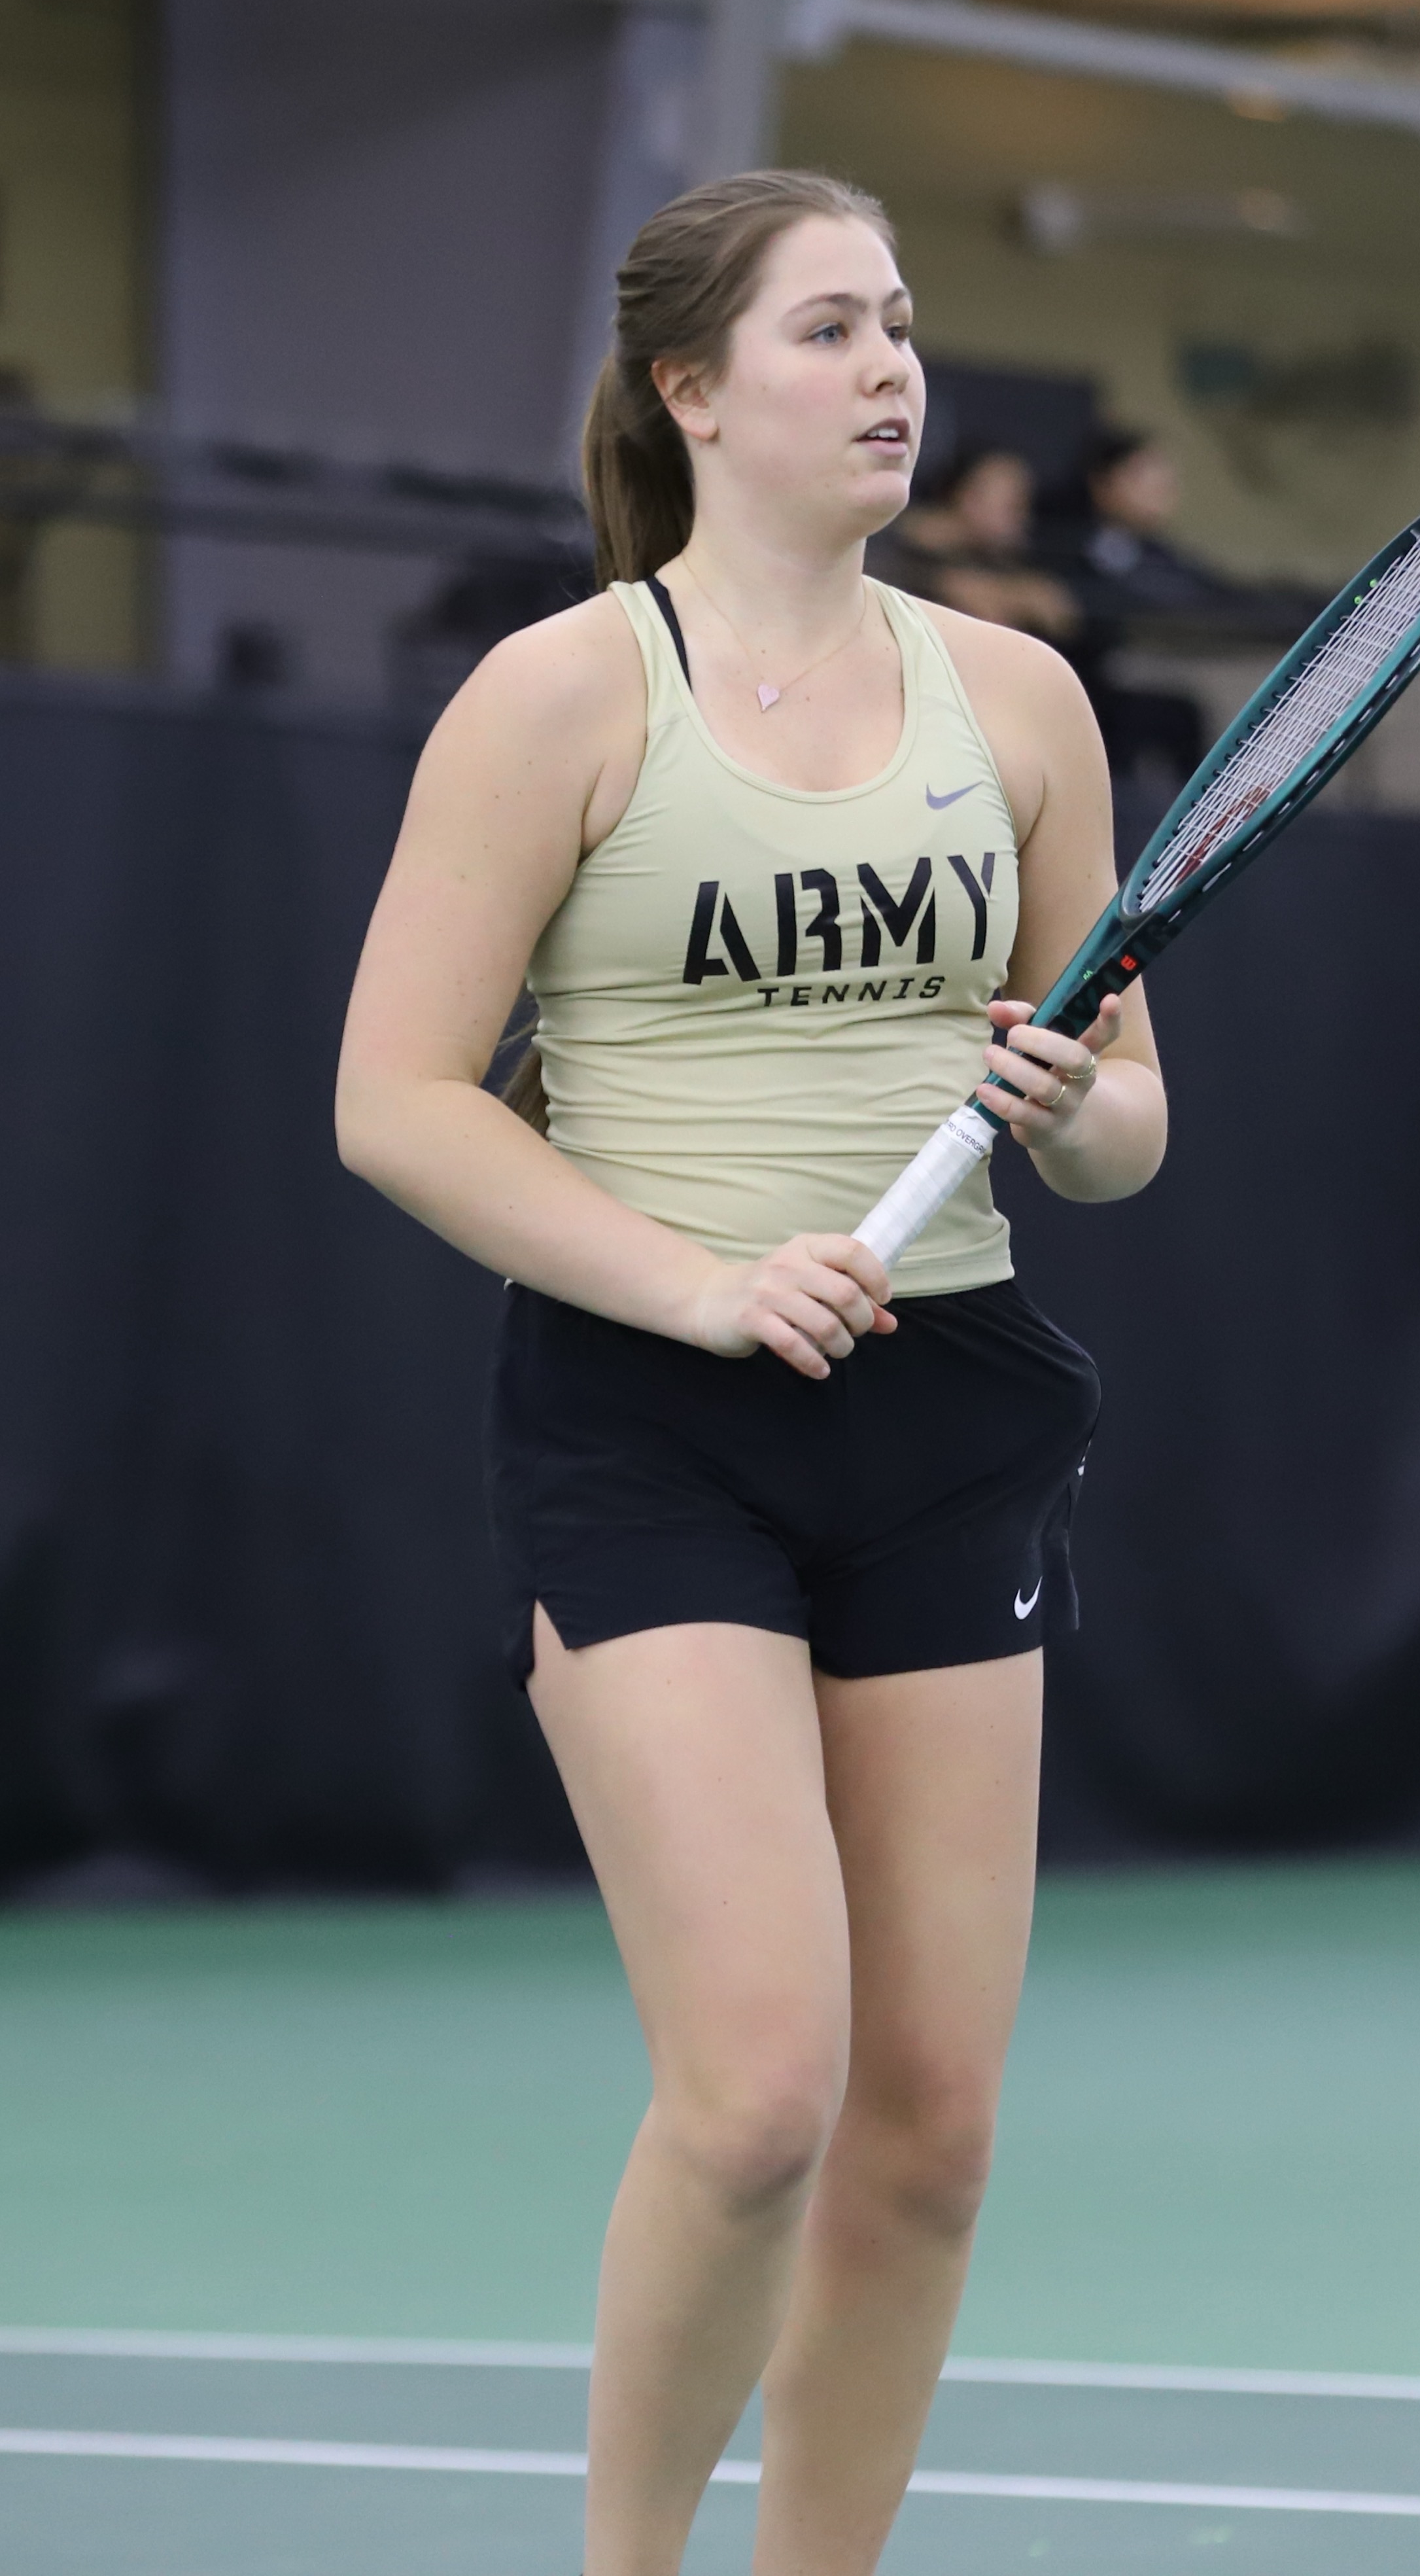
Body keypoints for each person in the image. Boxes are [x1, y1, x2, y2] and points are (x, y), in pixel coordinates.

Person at [333, 169, 1163, 2576]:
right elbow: (395, 1098)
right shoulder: (563, 694)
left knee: (926, 2123)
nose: (890, 369)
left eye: (900, 325)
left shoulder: (1016, 700)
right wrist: (690, 1285)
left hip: (948, 1410)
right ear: (693, 387)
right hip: (649, 1422)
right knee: (761, 2090)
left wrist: (1071, 1095)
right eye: (828, 329)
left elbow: (1129, 1124)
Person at [1062, 425, 1244, 784]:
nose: (1162, 485)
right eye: (1144, 472)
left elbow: (1209, 592)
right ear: (1104, 484)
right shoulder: (1066, 546)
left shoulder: (1159, 555)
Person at [869, 442, 1082, 647]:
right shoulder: (888, 540)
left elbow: (1061, 619)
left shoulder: (1004, 563)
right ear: (969, 496)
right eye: (1013, 504)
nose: (1024, 517)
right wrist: (943, 583)